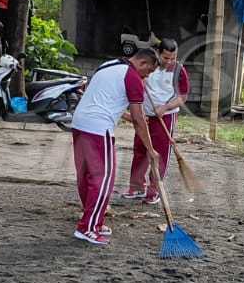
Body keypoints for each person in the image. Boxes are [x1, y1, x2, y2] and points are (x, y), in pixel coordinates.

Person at [70, 46, 159, 245]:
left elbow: (105, 99)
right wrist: (151, 150)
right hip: (99, 129)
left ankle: (94, 221)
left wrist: (125, 116)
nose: (148, 76)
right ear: (143, 63)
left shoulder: (108, 65)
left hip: (80, 123)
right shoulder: (133, 77)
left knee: (86, 176)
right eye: (149, 71)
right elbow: (138, 119)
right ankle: (88, 228)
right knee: (103, 180)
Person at [122, 39, 190, 204]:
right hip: (144, 113)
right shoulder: (147, 66)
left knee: (159, 152)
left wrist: (165, 107)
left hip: (165, 116)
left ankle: (154, 190)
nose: (169, 62)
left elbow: (183, 97)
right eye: (166, 58)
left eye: (173, 58)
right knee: (140, 149)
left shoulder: (179, 70)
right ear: (158, 53)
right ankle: (137, 187)